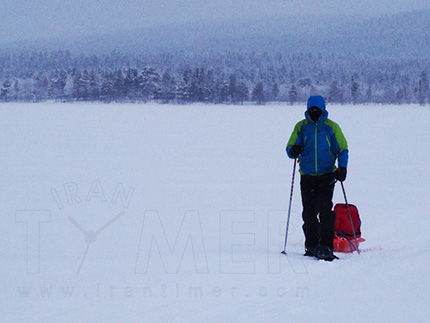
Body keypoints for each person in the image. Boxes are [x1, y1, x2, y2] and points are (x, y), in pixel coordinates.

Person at [286, 95, 348, 261]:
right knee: (309, 213)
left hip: (327, 174)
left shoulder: (331, 127)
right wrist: (293, 150)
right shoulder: (301, 127)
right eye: (311, 109)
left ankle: (326, 246)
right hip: (306, 175)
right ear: (307, 109)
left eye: (317, 109)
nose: (314, 112)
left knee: (325, 210)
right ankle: (311, 245)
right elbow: (290, 147)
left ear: (322, 110)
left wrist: (342, 168)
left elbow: (342, 149)